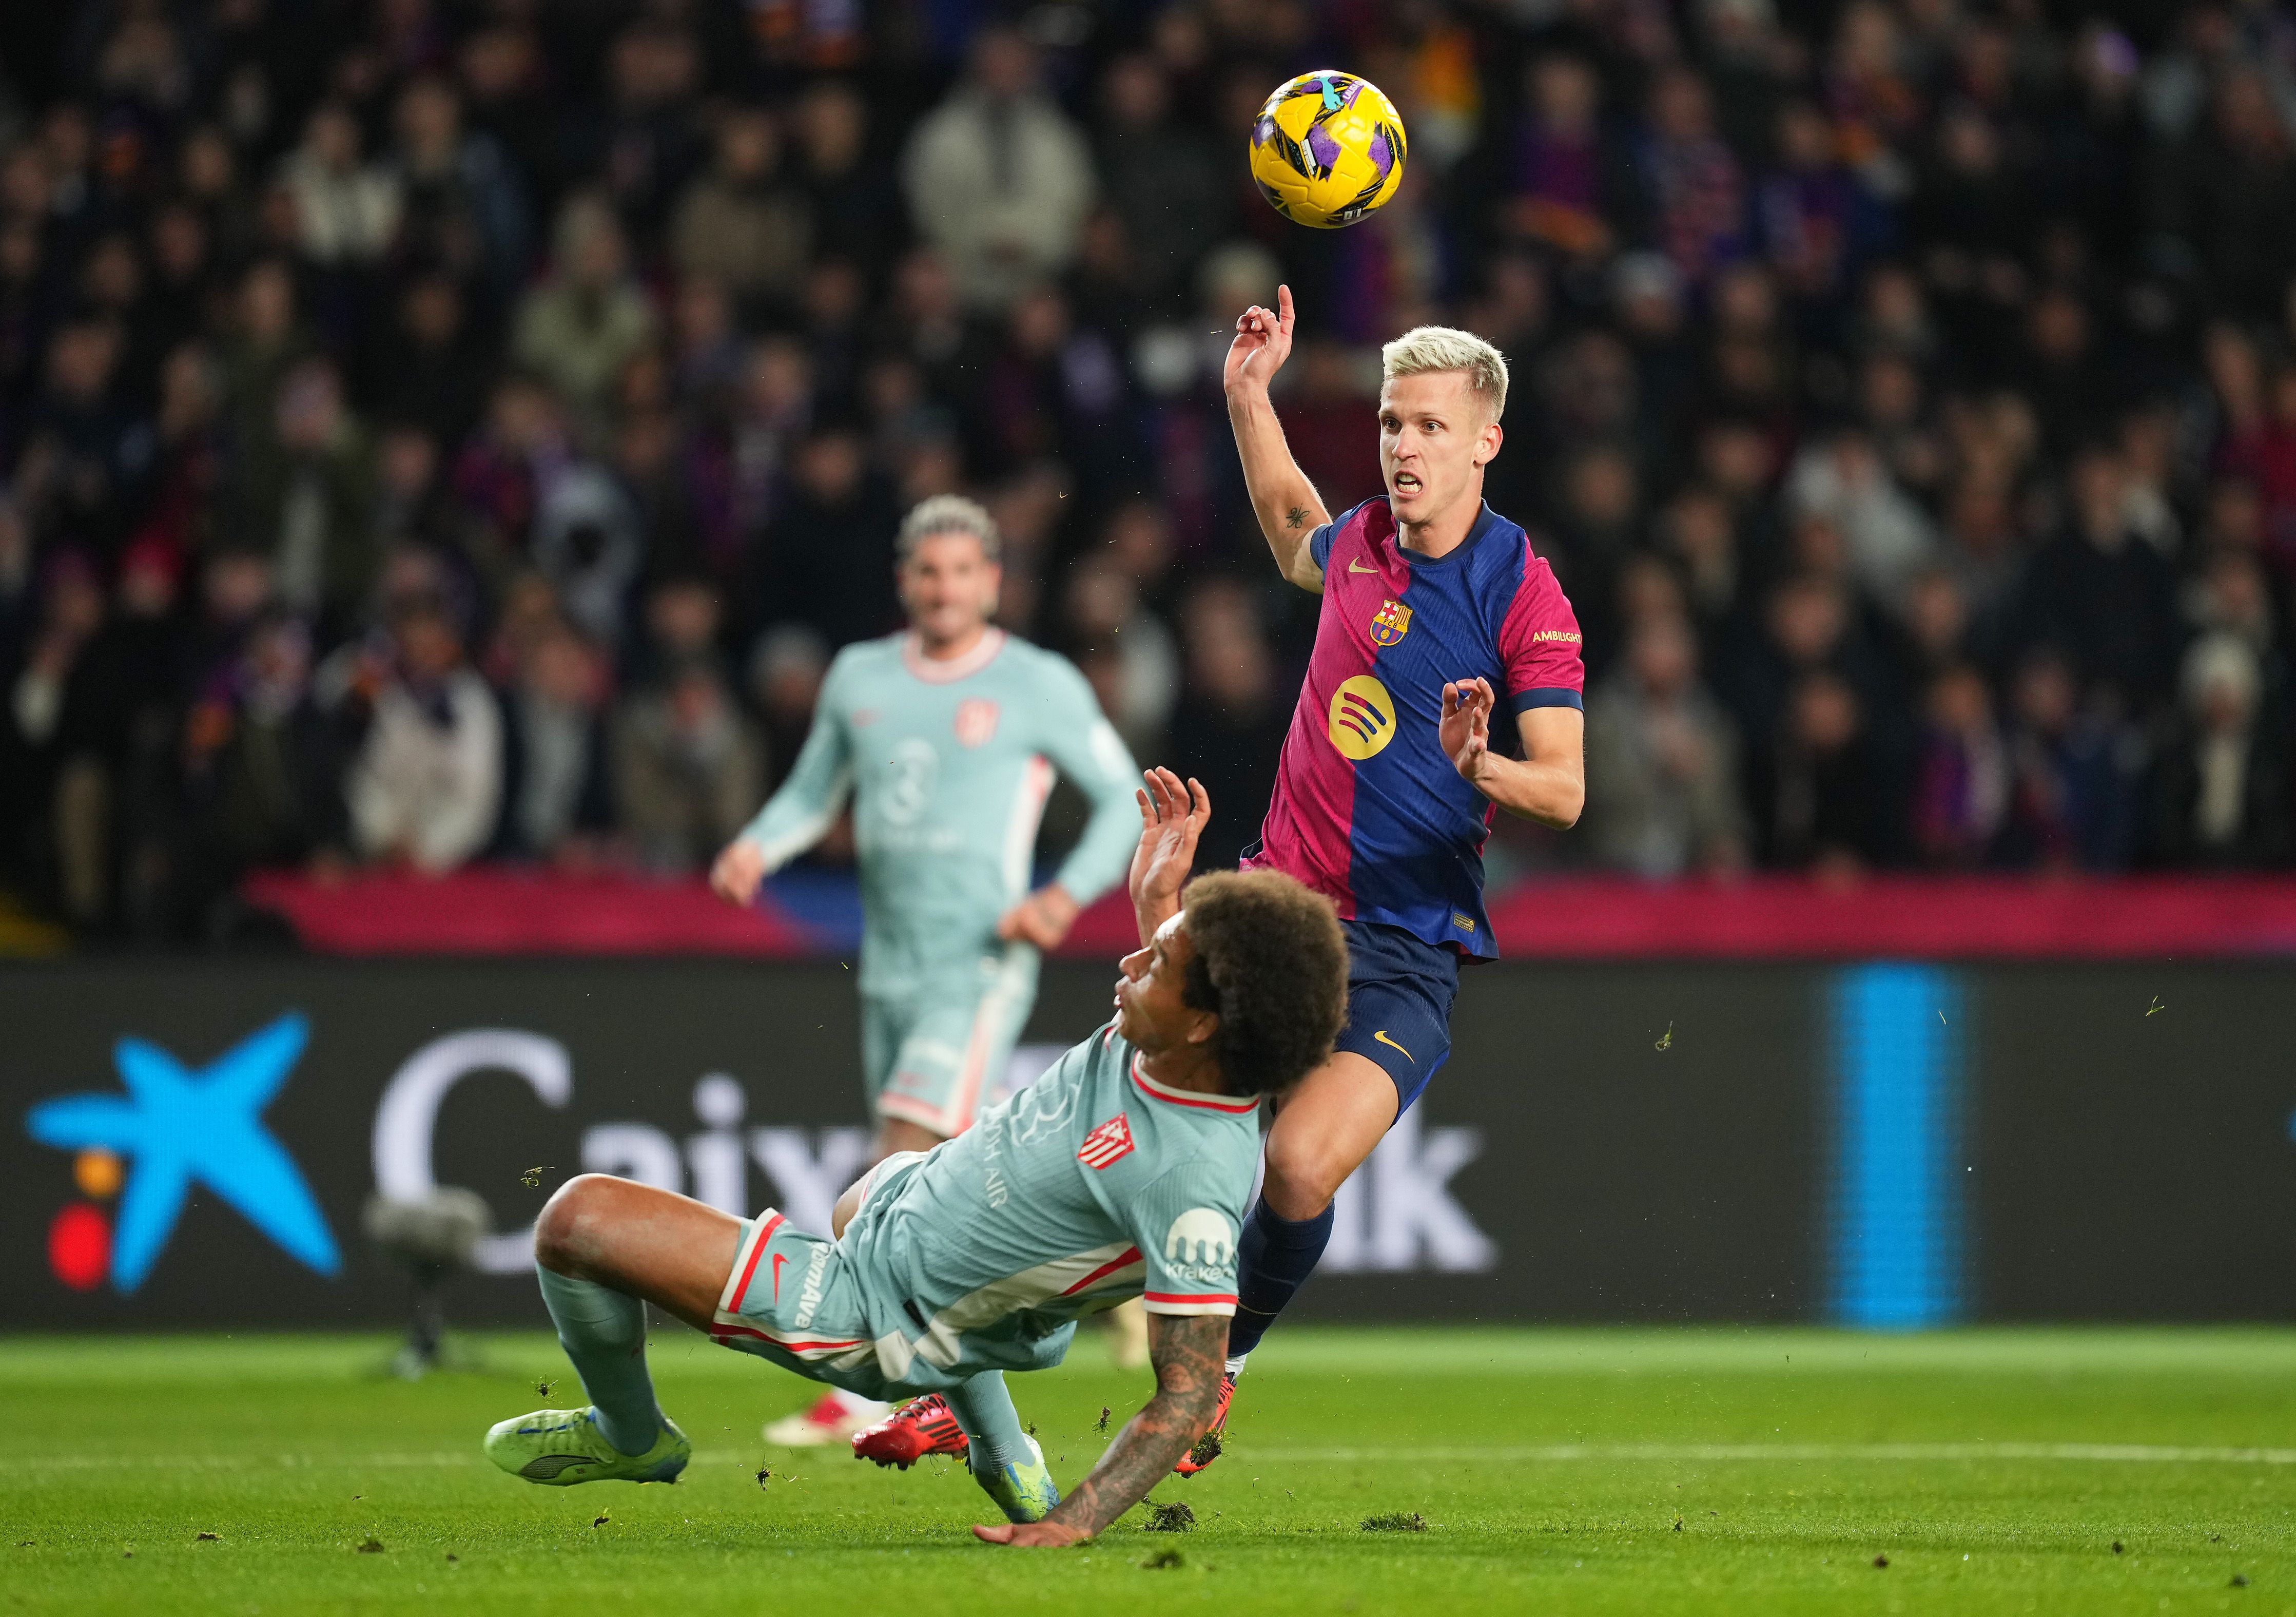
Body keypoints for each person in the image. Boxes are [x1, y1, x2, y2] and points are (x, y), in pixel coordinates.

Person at [484, 770, 1349, 1545]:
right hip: (908, 1217)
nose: (1129, 960)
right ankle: (1004, 1451)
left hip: (876, 1313)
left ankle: (631, 1435)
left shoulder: (1190, 1181)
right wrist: (1158, 896)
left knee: (575, 1218)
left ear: (1202, 1021)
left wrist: (1074, 1523)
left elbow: (1190, 1394)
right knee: (860, 1197)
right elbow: (1197, 974)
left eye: (1155, 960)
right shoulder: (1179, 1035)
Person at [1190, 287, 1586, 1468]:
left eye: (1424, 426)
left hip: (1404, 948)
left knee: (1299, 1166)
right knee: (1132, 1169)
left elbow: (1563, 790)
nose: (1400, 446)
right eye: (1388, 423)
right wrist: (1247, 397)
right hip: (1269, 918)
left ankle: (1219, 1371)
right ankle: (962, 1362)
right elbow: (1282, 523)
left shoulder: (1522, 589)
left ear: (1484, 440)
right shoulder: (1359, 541)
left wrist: (1481, 764)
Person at [708, 492, 1142, 1444]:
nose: (944, 589)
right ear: (905, 580)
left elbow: (1121, 800)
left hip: (979, 960)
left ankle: (862, 1379)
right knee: (943, 1172)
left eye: (963, 572)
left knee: (899, 1153)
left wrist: (1064, 895)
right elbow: (814, 790)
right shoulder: (860, 676)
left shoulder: (1036, 683)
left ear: (993, 582)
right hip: (888, 965)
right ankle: (1095, 1293)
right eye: (928, 572)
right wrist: (760, 844)